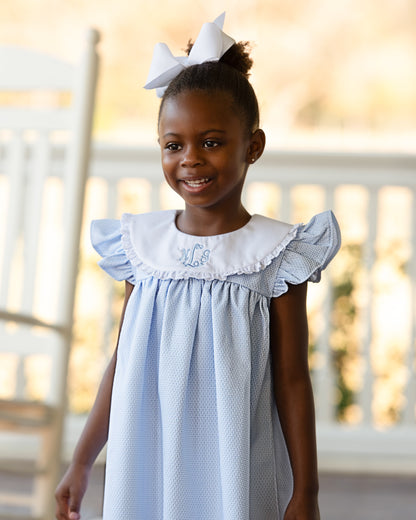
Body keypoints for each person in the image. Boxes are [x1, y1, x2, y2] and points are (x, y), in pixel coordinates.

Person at [55, 13, 341, 520]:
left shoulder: (274, 254)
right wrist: (81, 462)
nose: (190, 159)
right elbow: (121, 367)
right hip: (147, 457)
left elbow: (293, 379)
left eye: (211, 142)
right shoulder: (143, 249)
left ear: (252, 146)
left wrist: (307, 492)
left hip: (233, 463)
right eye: (174, 145)